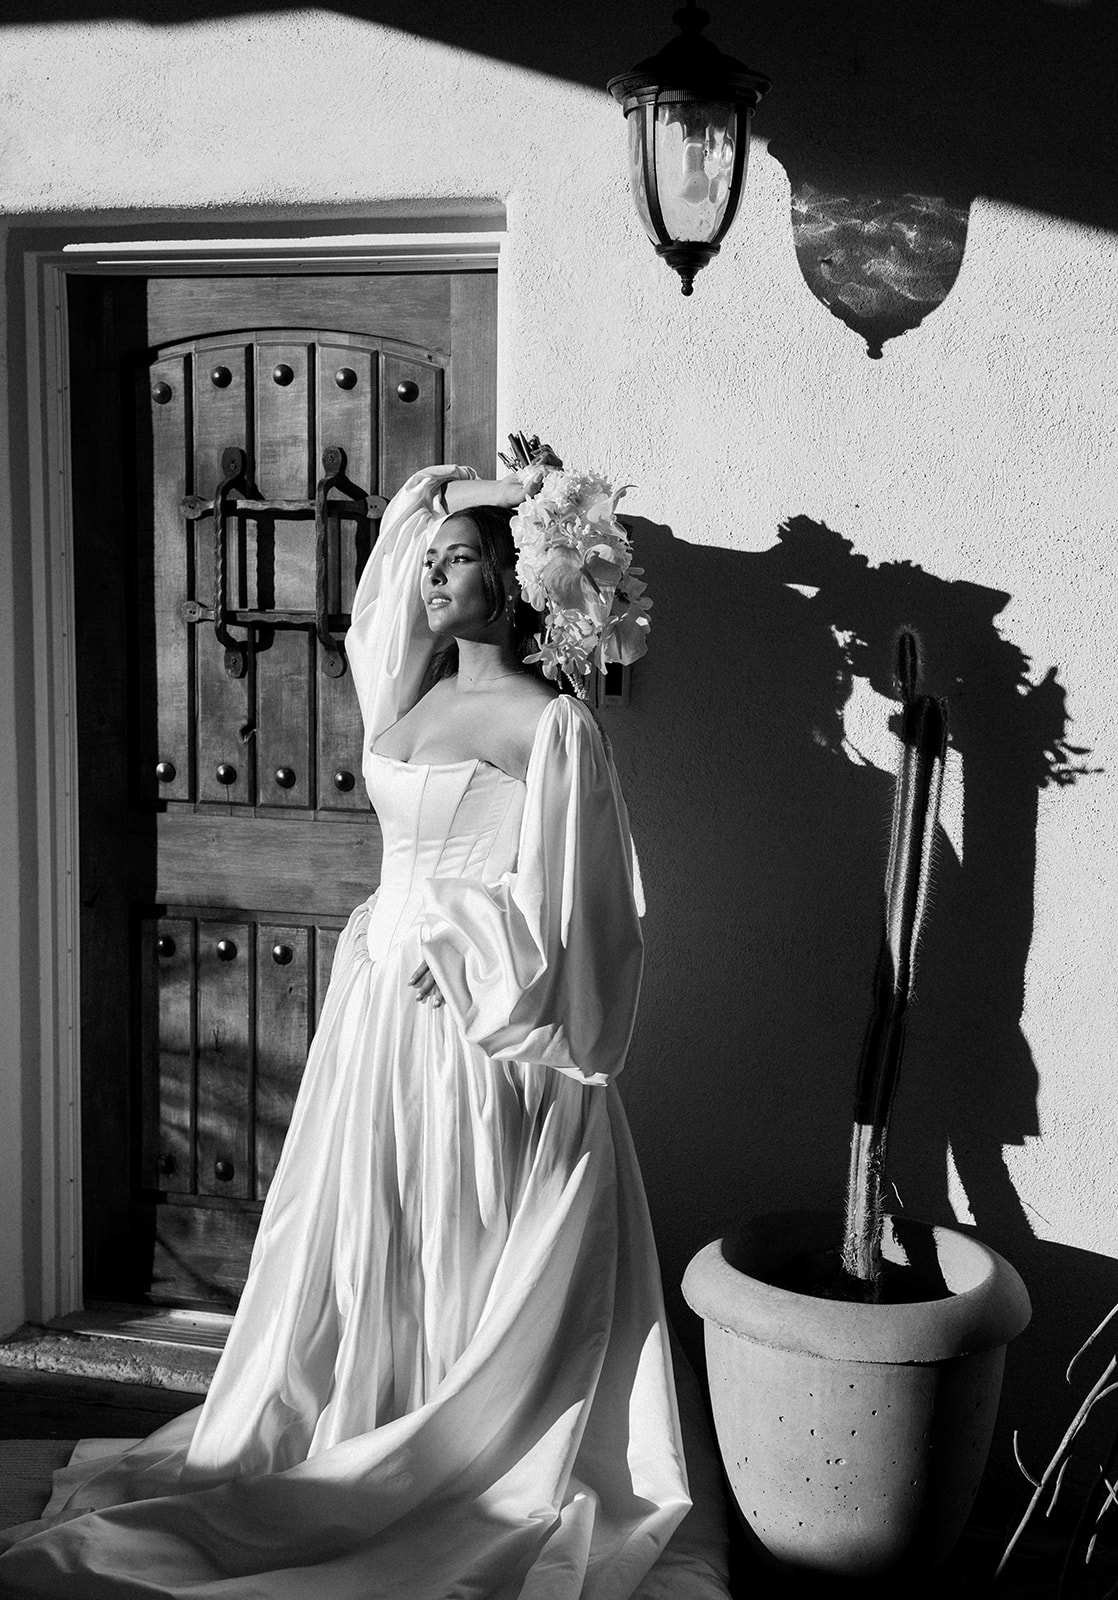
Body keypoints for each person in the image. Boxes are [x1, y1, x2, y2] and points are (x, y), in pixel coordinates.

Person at [0, 460, 729, 1598]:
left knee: (458, 1217)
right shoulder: (417, 693)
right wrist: (420, 507)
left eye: (458, 557)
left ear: (515, 577)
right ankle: (364, 1408)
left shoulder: (547, 724)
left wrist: (480, 963)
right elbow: (376, 617)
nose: (433, 575)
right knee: (368, 1215)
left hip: (467, 1027)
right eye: (431, 561)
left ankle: (452, 1440)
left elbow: (581, 907)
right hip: (377, 1003)